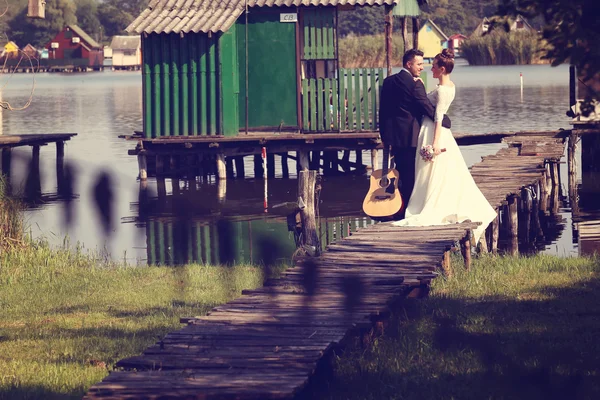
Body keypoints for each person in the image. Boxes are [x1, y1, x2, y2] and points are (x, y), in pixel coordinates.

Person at [393, 49, 497, 243]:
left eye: (432, 67)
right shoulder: (449, 86)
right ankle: (428, 201)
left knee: (430, 170)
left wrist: (434, 145)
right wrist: (423, 88)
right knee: (435, 172)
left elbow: (438, 117)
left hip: (433, 132)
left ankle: (428, 205)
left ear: (441, 69)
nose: (428, 68)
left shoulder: (442, 90)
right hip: (434, 130)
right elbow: (430, 103)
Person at [379, 49, 451, 216]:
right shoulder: (414, 84)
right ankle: (406, 209)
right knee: (411, 175)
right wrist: (446, 122)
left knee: (400, 171)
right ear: (408, 64)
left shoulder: (388, 81)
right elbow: (426, 108)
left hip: (393, 136)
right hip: (410, 137)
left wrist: (384, 136)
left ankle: (396, 207)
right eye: (419, 64)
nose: (422, 68)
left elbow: (382, 112)